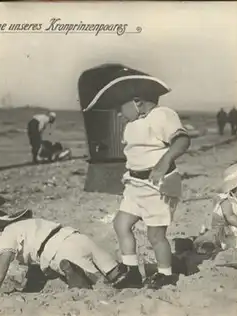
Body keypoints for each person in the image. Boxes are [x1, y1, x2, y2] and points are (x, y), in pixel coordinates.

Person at [82, 67, 191, 289]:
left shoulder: (163, 115)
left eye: (121, 109)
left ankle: (165, 273)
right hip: (135, 184)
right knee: (121, 223)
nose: (120, 114)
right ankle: (131, 270)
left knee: (155, 235)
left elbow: (182, 140)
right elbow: (134, 154)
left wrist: (164, 161)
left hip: (158, 186)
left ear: (137, 102)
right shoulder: (132, 125)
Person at [0, 209, 128, 295]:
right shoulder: (27, 225)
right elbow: (34, 270)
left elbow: (3, 263)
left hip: (60, 251)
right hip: (75, 236)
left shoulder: (7, 234)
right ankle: (134, 271)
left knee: (97, 283)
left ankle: (77, 278)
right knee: (117, 274)